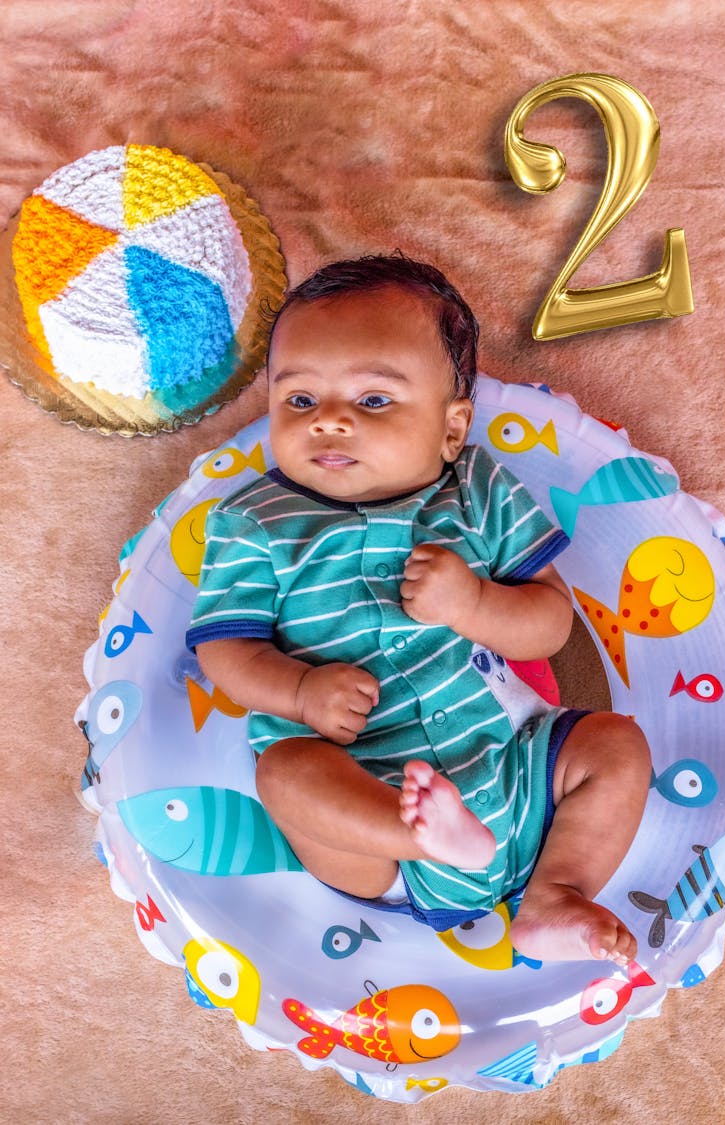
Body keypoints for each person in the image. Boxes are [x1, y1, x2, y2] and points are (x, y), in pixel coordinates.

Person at [186, 253, 652, 964]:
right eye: (300, 400)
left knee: (618, 744)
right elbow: (225, 650)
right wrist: (301, 691)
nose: (330, 423)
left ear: (451, 428)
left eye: (373, 401)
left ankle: (556, 890)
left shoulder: (477, 491)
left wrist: (473, 601)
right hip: (371, 815)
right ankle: (423, 835)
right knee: (284, 772)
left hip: (518, 765)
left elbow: (552, 621)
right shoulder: (255, 522)